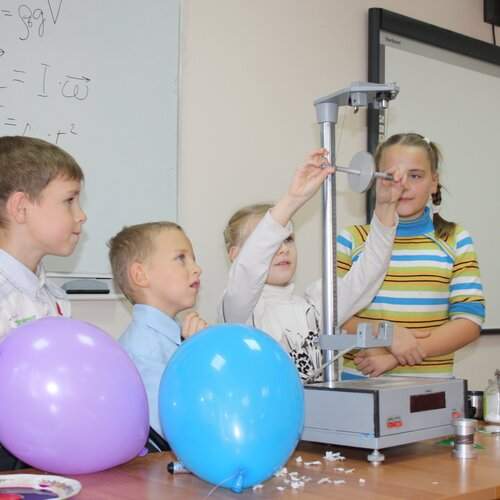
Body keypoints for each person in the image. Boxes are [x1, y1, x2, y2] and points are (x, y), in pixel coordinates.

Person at [218, 148, 417, 382]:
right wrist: (293, 199)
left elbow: (367, 278)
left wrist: (385, 207)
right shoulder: (237, 310)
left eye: (288, 240)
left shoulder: (316, 305)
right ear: (236, 255)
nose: (283, 249)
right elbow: (249, 268)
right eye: (272, 243)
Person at [338, 133, 485, 379]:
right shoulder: (352, 239)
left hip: (430, 389)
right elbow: (333, 316)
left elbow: (469, 322)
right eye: (391, 176)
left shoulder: (455, 239)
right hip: (359, 387)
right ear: (376, 181)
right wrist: (385, 334)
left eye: (415, 176)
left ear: (434, 182)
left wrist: (395, 356)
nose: (403, 185)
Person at [0, 135, 86, 469]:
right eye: (69, 201)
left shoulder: (54, 298)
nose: (81, 215)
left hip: (41, 456)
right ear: (21, 207)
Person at [108, 221, 207, 437]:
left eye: (193, 259)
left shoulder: (177, 334)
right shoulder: (141, 352)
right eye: (181, 258)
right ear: (140, 275)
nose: (196, 269)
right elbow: (177, 428)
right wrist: (195, 358)